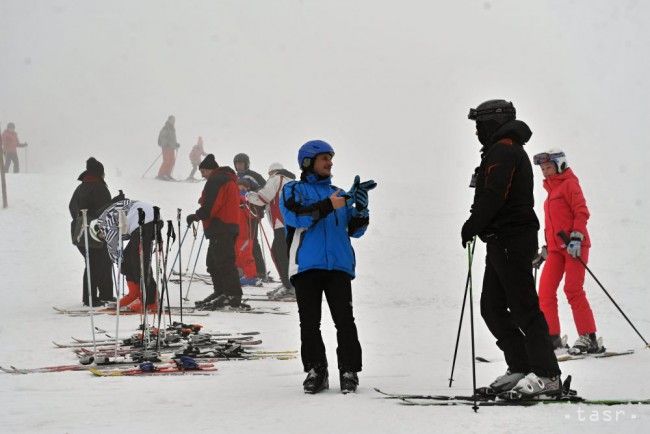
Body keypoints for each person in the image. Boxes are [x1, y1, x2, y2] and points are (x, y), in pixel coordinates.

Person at [461, 99, 561, 398]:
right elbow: (491, 193)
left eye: (480, 124)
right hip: (501, 238)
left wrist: (472, 223)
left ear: (494, 122)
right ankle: (520, 365)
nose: (477, 130)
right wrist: (480, 222)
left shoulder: (504, 150)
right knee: (491, 307)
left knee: (523, 307)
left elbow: (494, 195)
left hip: (512, 239)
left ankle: (548, 375)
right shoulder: (501, 150)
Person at [280, 140, 376, 394]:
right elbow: (294, 216)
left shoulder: (339, 193)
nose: (330, 163)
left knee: (345, 321)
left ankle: (349, 371)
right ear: (308, 162)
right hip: (307, 266)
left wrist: (361, 208)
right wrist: (328, 206)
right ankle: (316, 371)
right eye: (325, 158)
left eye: (331, 159)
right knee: (309, 322)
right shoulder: (293, 189)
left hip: (339, 266)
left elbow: (356, 231)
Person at [532, 149, 603, 355]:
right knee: (544, 292)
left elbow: (581, 211)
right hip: (555, 250)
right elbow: (553, 227)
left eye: (548, 167)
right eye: (543, 169)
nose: (545, 172)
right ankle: (553, 339)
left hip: (575, 247)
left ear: (560, 164)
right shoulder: (550, 194)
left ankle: (589, 338)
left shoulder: (570, 184)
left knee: (572, 289)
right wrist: (545, 251)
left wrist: (577, 236)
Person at [187, 154, 249, 309]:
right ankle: (221, 291)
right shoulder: (226, 179)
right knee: (214, 262)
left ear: (210, 169)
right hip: (226, 226)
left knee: (224, 262)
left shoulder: (216, 180)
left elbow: (212, 204)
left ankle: (232, 295)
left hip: (221, 226)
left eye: (203, 172)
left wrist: (197, 215)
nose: (202, 175)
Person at [92, 198, 159, 313]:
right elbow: (121, 237)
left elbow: (113, 241)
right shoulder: (110, 217)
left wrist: (119, 262)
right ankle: (135, 294)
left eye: (101, 237)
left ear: (97, 231)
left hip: (143, 220)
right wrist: (123, 263)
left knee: (139, 263)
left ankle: (150, 302)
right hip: (149, 220)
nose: (104, 238)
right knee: (130, 257)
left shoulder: (102, 222)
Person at [246, 162, 297, 299]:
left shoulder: (275, 179)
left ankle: (290, 287)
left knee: (278, 253)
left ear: (271, 172)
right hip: (292, 223)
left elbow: (263, 198)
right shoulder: (292, 181)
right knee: (287, 255)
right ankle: (289, 284)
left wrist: (248, 196)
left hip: (280, 223)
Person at [68, 157, 114, 306]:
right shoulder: (99, 187)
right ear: (100, 173)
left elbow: (72, 207)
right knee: (96, 263)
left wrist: (80, 221)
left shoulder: (81, 187)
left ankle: (105, 294)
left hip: (79, 232)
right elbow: (106, 211)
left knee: (100, 261)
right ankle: (90, 298)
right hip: (95, 233)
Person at [233, 153, 268, 281]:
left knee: (252, 241)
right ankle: (242, 269)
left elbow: (265, 192)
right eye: (237, 163)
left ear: (246, 164)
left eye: (241, 163)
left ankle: (260, 271)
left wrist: (259, 208)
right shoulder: (235, 177)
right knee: (240, 241)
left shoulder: (254, 176)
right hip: (239, 215)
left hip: (252, 213)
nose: (239, 166)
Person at [236, 177, 261, 286]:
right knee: (236, 253)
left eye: (243, 186)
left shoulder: (248, 198)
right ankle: (241, 273)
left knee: (246, 254)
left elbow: (252, 215)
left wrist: (245, 203)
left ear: (247, 188)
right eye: (239, 185)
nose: (240, 188)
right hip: (235, 231)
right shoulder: (235, 197)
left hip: (245, 232)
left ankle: (251, 276)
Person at [156, 115, 180, 181]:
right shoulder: (166, 128)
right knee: (167, 160)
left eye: (174, 120)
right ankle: (161, 175)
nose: (173, 121)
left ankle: (167, 174)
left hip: (171, 147)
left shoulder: (172, 128)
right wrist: (165, 143)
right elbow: (162, 137)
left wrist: (176, 144)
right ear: (169, 120)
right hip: (166, 147)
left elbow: (172, 139)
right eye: (172, 120)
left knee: (172, 161)